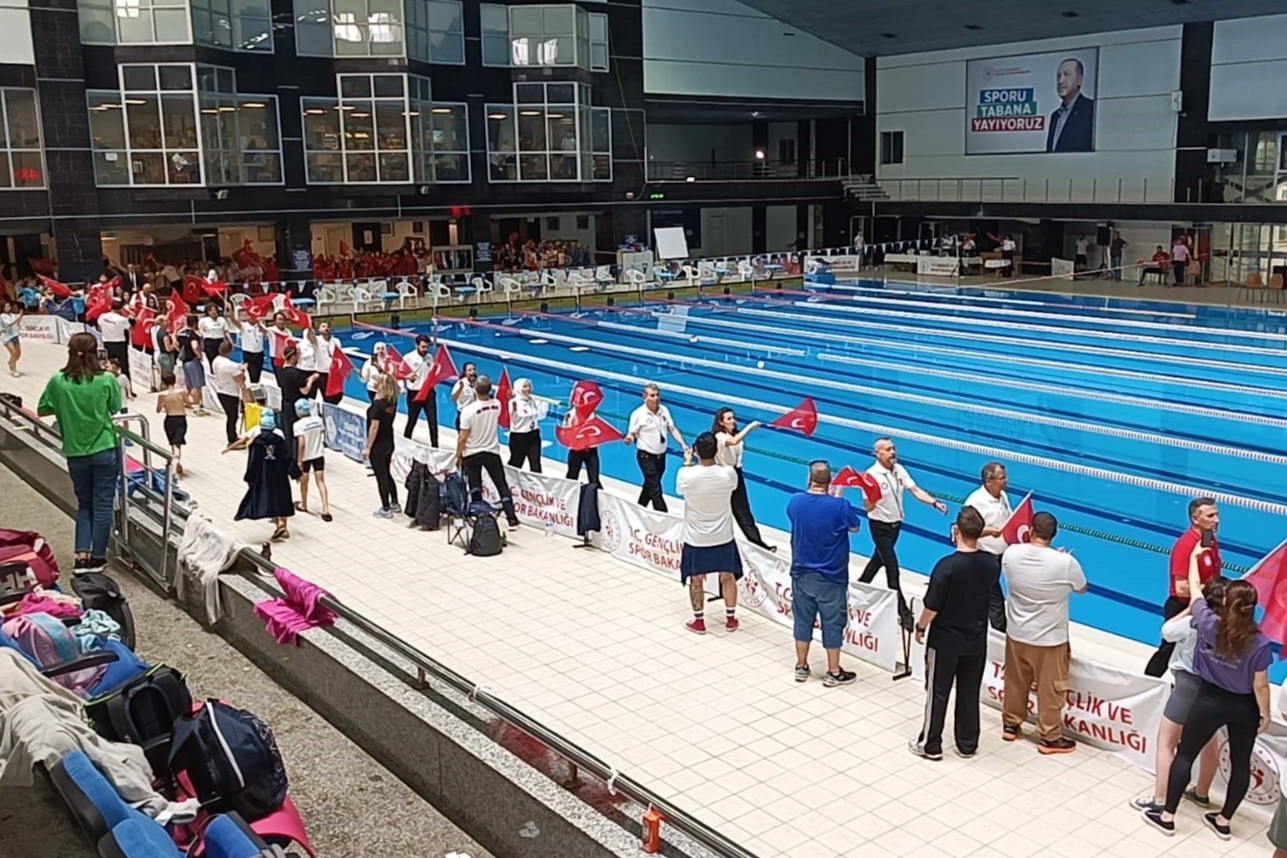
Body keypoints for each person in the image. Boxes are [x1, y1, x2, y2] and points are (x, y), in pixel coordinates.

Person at [1142, 548, 1271, 839]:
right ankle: (1223, 821)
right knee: (1240, 764)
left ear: (1225, 603)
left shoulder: (1208, 623)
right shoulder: (1260, 643)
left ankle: (1167, 816)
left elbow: (1195, 591)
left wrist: (1193, 559)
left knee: (1186, 754)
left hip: (1210, 699)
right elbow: (1260, 685)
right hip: (1244, 706)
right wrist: (1265, 714)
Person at [1131, 577, 1227, 814]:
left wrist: (1189, 608)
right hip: (1215, 691)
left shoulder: (1193, 623)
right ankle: (1201, 793)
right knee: (1210, 744)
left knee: (1167, 744)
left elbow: (1167, 631)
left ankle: (1160, 800)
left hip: (1187, 688)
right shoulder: (1233, 628)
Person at [910, 506, 999, 761]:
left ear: (956, 530)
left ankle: (930, 744)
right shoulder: (991, 565)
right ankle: (967, 744)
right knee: (969, 692)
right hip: (976, 641)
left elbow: (932, 606)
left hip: (945, 642)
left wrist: (920, 626)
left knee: (938, 692)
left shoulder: (947, 567)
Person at [1000, 511, 1087, 754]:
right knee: (1051, 689)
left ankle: (1011, 725)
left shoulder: (1011, 553)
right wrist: (1060, 562)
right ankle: (1049, 737)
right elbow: (1081, 588)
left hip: (1017, 634)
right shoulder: (1065, 563)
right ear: (1054, 534)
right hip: (1050, 640)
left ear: (1030, 529)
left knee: (1015, 682)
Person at [36, 332, 122, 573]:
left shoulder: (58, 380)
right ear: (96, 353)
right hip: (104, 447)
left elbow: (42, 409)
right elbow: (115, 407)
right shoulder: (106, 379)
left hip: (75, 451)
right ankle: (97, 557)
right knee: (102, 505)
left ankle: (81, 556)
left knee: (84, 504)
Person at [859, 438, 949, 629]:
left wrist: (934, 502)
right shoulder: (871, 476)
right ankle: (903, 612)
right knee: (892, 568)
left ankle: (859, 587)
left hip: (896, 526)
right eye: (888, 449)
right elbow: (867, 507)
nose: (893, 452)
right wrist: (872, 500)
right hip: (879, 527)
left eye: (893, 448)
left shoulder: (899, 470)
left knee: (878, 560)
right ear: (877, 453)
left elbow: (915, 490)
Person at [787, 461, 862, 687]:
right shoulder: (841, 506)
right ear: (830, 482)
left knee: (802, 621)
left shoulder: (795, 501)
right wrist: (837, 499)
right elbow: (855, 527)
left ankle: (801, 666)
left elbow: (796, 518)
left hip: (801, 574)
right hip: (832, 577)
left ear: (809, 479)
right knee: (832, 624)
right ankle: (833, 672)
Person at [1144, 498, 1222, 677]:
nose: (1216, 520)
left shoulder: (1209, 540)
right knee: (1168, 650)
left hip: (1204, 604)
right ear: (1195, 519)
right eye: (1210, 516)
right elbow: (1181, 588)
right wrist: (1214, 588)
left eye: (1217, 515)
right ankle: (1147, 682)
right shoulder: (1186, 545)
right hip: (1183, 607)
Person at [676, 432, 741, 635]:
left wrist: (688, 462)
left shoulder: (686, 474)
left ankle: (699, 621)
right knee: (728, 576)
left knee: (696, 579)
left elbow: (680, 489)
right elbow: (729, 472)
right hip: (723, 537)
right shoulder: (728, 474)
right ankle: (731, 619)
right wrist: (720, 455)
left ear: (695, 451)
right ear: (716, 450)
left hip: (696, 539)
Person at [455, 375, 521, 529]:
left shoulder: (468, 411)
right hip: (491, 451)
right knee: (501, 485)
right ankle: (512, 518)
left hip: (472, 453)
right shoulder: (497, 405)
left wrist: (458, 455)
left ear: (474, 390)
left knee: (475, 486)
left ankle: (479, 517)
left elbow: (462, 437)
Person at [712, 407, 773, 551]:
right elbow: (733, 442)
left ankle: (758, 544)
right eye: (729, 419)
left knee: (743, 511)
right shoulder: (719, 436)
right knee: (722, 511)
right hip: (723, 475)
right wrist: (750, 427)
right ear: (721, 422)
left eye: (733, 417)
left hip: (736, 473)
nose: (733, 421)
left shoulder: (735, 434)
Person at [624, 383, 689, 512]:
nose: (656, 398)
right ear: (644, 397)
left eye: (657, 395)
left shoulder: (664, 410)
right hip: (646, 457)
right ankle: (664, 516)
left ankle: (639, 508)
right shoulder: (638, 414)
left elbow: (672, 428)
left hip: (661, 457)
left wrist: (683, 444)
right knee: (656, 490)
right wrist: (629, 439)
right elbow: (632, 433)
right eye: (652, 395)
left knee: (650, 485)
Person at [963, 461, 1011, 631]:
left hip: (1000, 555)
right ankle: (999, 632)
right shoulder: (976, 502)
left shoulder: (1003, 496)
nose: (1006, 480)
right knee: (995, 598)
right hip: (983, 556)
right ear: (989, 481)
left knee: (987, 595)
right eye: (1002, 478)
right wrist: (988, 532)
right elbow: (965, 530)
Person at [233, 408, 294, 541]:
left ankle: (277, 522)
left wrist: (250, 478)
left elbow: (253, 461)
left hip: (264, 475)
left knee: (269, 498)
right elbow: (288, 457)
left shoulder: (257, 442)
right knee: (282, 498)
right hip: (280, 474)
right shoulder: (280, 439)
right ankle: (283, 525)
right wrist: (295, 473)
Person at [364, 373, 400, 518]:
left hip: (378, 445)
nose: (374, 382)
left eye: (376, 380)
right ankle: (395, 502)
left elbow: (374, 428)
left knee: (381, 476)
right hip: (389, 441)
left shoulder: (377, 406)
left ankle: (385, 508)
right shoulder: (392, 401)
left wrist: (368, 447)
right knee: (387, 472)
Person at [292, 399, 332, 522]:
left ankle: (304, 504)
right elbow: (322, 431)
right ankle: (326, 509)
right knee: (321, 481)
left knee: (304, 482)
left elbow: (301, 443)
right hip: (319, 454)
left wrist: (299, 461)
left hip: (306, 457)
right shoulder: (318, 420)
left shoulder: (298, 425)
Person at [1045, 57, 1095, 153]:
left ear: (1079, 80)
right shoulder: (1055, 116)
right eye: (1058, 76)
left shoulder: (1091, 110)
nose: (1061, 81)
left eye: (1066, 74)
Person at [275, 345, 319, 450]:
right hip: (296, 407)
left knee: (288, 433)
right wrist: (311, 380)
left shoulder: (279, 371)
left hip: (285, 404)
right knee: (297, 434)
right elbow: (305, 390)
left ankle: (288, 454)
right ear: (294, 357)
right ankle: (297, 455)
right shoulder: (297, 374)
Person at [403, 335, 439, 446]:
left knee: (433, 422)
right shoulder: (408, 358)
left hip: (428, 393)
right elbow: (399, 373)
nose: (425, 349)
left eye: (427, 347)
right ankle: (406, 442)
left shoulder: (430, 357)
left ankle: (435, 446)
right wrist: (406, 378)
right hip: (414, 394)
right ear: (416, 345)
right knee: (412, 420)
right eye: (423, 347)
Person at [209, 341, 245, 446]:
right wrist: (242, 371)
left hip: (220, 390)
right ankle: (232, 439)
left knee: (231, 416)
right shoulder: (231, 365)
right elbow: (240, 380)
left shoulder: (216, 360)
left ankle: (233, 436)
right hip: (230, 393)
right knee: (232, 417)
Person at [507, 378, 542, 473]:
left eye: (529, 386)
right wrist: (514, 411)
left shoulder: (532, 400)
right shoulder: (514, 402)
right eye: (525, 387)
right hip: (519, 437)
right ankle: (508, 479)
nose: (528, 389)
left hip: (534, 435)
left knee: (536, 464)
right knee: (516, 463)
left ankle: (536, 482)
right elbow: (513, 419)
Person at [156, 371, 187, 476]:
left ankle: (175, 462)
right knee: (177, 443)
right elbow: (188, 403)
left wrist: (164, 405)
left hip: (169, 419)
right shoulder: (182, 392)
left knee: (173, 442)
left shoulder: (162, 395)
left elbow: (158, 410)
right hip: (181, 418)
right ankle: (176, 462)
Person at [176, 315, 207, 415]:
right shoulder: (193, 335)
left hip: (185, 361)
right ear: (196, 323)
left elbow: (176, 344)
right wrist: (199, 355)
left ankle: (187, 402)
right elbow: (195, 346)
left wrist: (181, 352)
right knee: (196, 385)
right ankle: (196, 406)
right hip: (193, 361)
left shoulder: (181, 334)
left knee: (189, 385)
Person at [306, 321, 342, 405]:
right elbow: (310, 337)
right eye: (323, 326)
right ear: (319, 329)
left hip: (335, 374)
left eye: (328, 326)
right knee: (327, 398)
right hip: (323, 373)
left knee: (338, 396)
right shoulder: (317, 340)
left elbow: (340, 357)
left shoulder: (336, 341)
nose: (326, 328)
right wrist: (309, 327)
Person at [97, 300, 132, 380]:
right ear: (120, 309)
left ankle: (107, 380)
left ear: (110, 307)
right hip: (120, 344)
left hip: (107, 342)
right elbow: (131, 330)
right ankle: (127, 384)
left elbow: (99, 328)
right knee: (124, 365)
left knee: (108, 364)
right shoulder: (122, 319)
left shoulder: (102, 316)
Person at [564, 410, 601, 487]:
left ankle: (595, 493)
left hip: (591, 450)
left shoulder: (592, 414)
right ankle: (568, 492)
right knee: (572, 476)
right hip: (576, 450)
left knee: (594, 479)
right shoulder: (570, 415)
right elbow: (567, 431)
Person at [233, 308, 265, 384]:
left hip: (259, 353)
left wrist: (259, 325)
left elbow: (265, 333)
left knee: (258, 374)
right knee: (253, 375)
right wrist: (231, 310)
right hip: (249, 354)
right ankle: (253, 387)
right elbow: (234, 321)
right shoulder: (244, 326)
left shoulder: (260, 326)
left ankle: (255, 386)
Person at [449, 361, 478, 430]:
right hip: (463, 415)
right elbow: (453, 398)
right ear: (465, 372)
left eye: (474, 369)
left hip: (475, 415)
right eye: (469, 370)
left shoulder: (478, 383)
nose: (472, 372)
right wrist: (460, 388)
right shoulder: (461, 383)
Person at [1, 299, 23, 377]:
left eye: (9, 306)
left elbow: (16, 324)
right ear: (3, 307)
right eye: (7, 306)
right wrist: (18, 318)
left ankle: (11, 362)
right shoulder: (2, 316)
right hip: (7, 337)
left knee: (18, 354)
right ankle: (14, 370)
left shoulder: (12, 315)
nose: (9, 307)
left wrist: (20, 317)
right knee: (13, 352)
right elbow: (9, 324)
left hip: (15, 335)